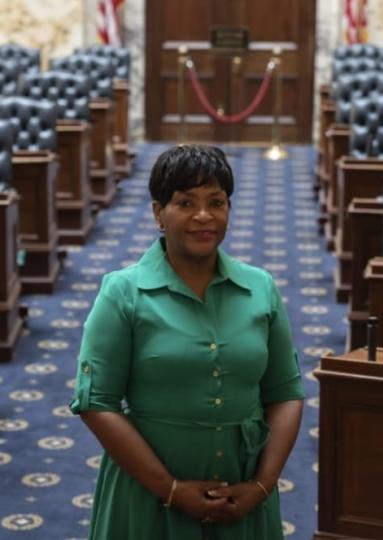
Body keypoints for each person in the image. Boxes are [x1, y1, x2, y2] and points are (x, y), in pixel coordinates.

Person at [70, 144, 305, 539]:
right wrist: (170, 489)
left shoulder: (261, 288)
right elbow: (96, 403)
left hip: (242, 494)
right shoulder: (123, 292)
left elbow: (285, 393)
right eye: (185, 202)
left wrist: (261, 486)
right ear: (158, 213)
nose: (203, 216)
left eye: (216, 202)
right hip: (149, 493)